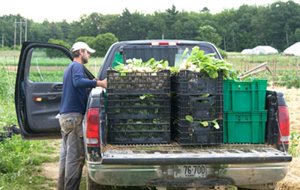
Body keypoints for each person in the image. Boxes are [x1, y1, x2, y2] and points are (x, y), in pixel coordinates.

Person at [57, 42, 107, 190]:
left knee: (66, 156)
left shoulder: (70, 68)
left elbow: (77, 86)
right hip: (74, 118)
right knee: (75, 158)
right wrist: (99, 83)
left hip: (66, 117)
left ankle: (62, 187)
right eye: (88, 52)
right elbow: (78, 82)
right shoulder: (77, 66)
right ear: (80, 52)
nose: (89, 55)